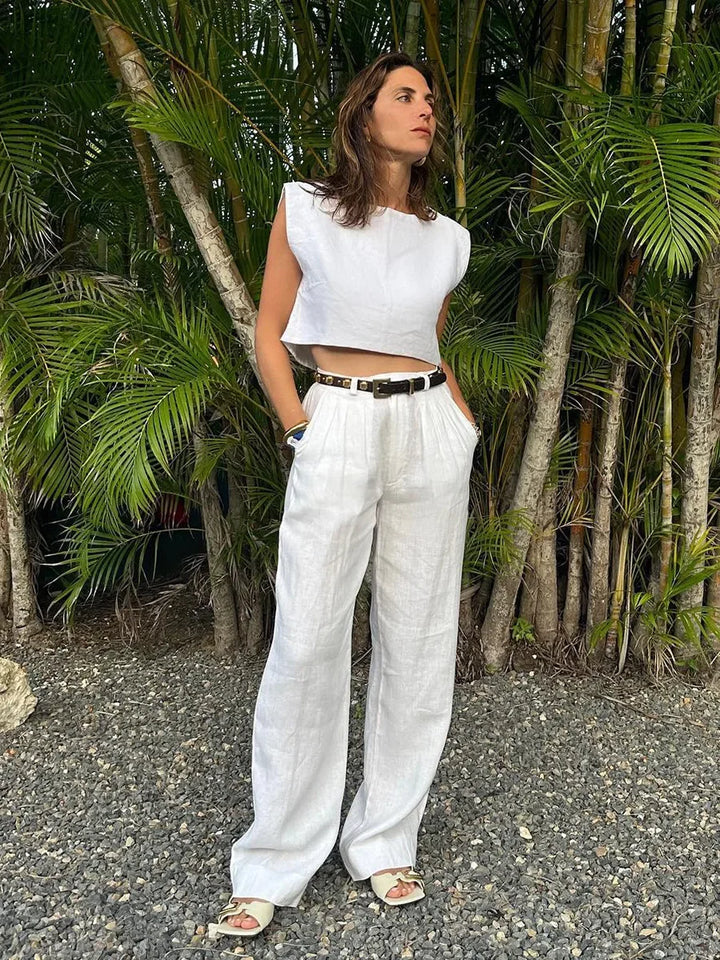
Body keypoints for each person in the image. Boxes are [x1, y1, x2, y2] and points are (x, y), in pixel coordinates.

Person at [215, 49, 475, 939]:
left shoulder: (446, 238)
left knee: (420, 637)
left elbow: (430, 339)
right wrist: (297, 426)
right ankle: (274, 860)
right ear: (365, 114)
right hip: (339, 420)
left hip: (428, 426)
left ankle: (385, 838)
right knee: (308, 637)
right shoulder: (307, 208)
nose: (425, 108)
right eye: (406, 95)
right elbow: (269, 328)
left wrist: (460, 425)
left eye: (430, 97)